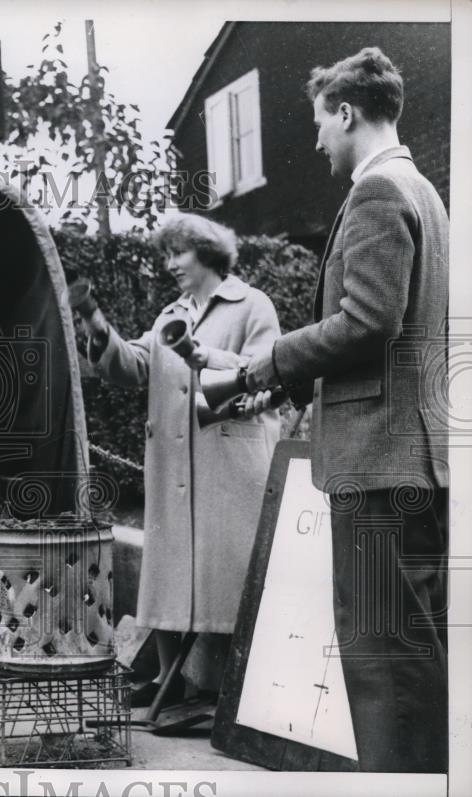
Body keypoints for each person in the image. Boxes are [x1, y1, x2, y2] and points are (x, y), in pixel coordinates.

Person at [242, 47, 449, 772]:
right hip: (411, 458)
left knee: (380, 658)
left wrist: (273, 359)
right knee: (411, 651)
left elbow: (367, 321)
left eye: (320, 123)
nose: (317, 140)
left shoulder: (376, 193)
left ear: (348, 112)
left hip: (377, 465)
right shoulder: (424, 190)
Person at [81, 213, 280, 707]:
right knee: (169, 573)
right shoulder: (172, 311)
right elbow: (137, 368)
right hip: (172, 464)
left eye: (178, 253)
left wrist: (205, 356)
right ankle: (172, 682)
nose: (169, 264)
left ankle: (232, 694)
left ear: (207, 253)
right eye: (165, 255)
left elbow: (270, 371)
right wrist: (100, 331)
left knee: (227, 574)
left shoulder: (252, 305)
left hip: (229, 465)